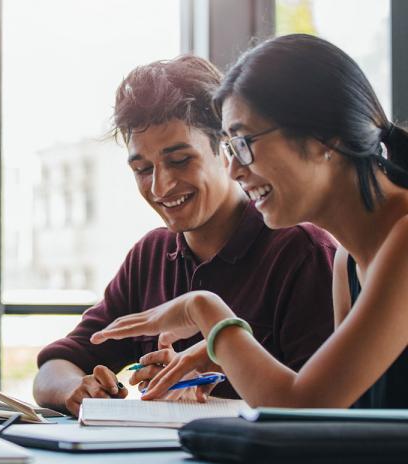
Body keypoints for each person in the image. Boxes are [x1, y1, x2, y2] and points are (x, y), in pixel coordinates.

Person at [92, 34, 408, 409]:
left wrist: (205, 312)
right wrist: (224, 355)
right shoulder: (347, 263)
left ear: (323, 137)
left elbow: (305, 408)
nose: (233, 168)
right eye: (228, 147)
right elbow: (337, 420)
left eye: (244, 143)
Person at [34, 55, 337, 416]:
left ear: (227, 149)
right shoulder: (151, 255)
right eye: (143, 169)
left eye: (179, 161)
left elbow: (320, 408)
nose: (160, 186)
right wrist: (75, 388)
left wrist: (215, 378)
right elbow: (54, 367)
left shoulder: (301, 251)